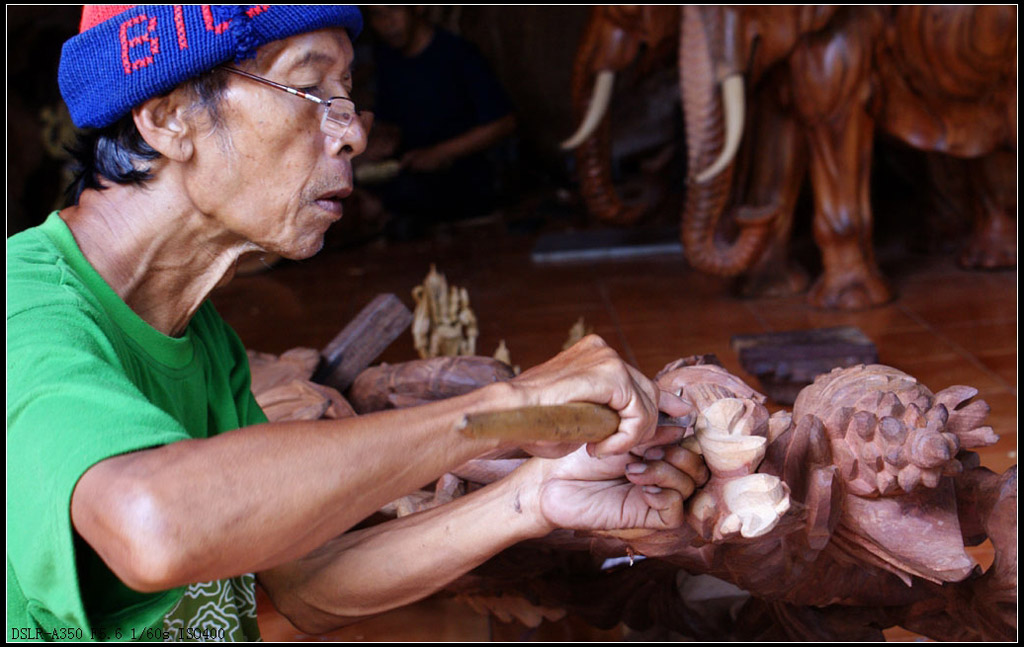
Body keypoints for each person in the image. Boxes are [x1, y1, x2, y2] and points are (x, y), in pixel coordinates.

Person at [6, 5, 704, 641]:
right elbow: (153, 524)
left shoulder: (201, 340)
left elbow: (295, 591)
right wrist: (502, 409)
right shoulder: (25, 307)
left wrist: (535, 497)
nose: (354, 132)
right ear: (168, 118)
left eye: (349, 98)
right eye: (313, 92)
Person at [359, 6, 517, 239]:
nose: (386, 23)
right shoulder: (388, 59)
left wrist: (440, 153)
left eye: (392, 11)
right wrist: (383, 139)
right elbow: (390, 121)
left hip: (465, 176)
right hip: (409, 170)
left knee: (405, 196)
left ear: (418, 8)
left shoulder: (457, 54)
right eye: (376, 15)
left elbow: (504, 123)